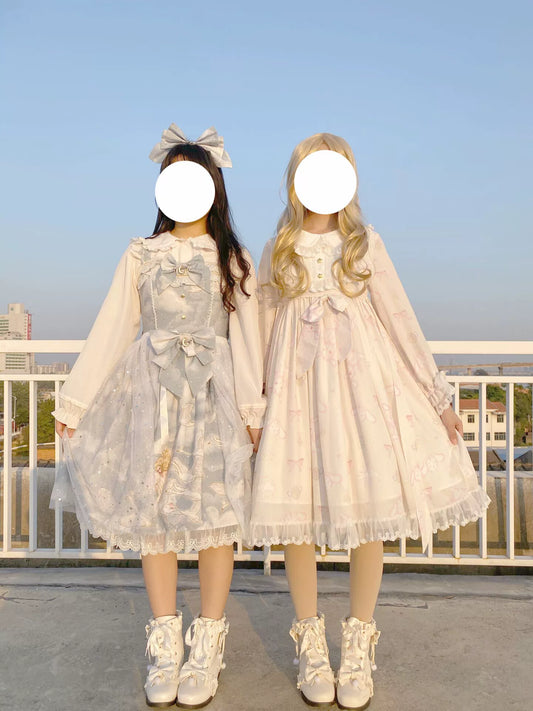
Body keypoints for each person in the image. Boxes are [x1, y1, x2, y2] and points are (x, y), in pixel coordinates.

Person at [249, 132, 490, 709]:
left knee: (370, 514)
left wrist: (437, 396)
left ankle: (358, 643)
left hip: (361, 394)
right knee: (298, 519)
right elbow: (260, 332)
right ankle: (311, 643)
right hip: (297, 396)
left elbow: (401, 320)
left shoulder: (364, 244)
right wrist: (253, 408)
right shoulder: (279, 249)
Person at [51, 125, 265, 709]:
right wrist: (76, 402)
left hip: (214, 397)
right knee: (155, 516)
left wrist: (252, 412)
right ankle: (166, 642)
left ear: (213, 187)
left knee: (217, 516)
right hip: (151, 397)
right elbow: (113, 326)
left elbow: (247, 341)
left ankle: (209, 642)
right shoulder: (139, 254)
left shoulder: (234, 259)